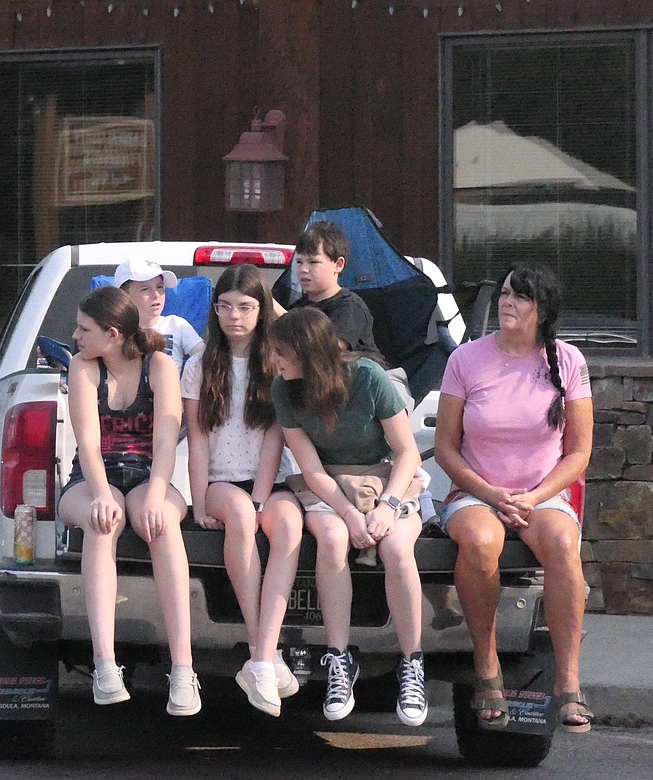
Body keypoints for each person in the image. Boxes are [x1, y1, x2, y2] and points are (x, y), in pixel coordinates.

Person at [435, 263, 594, 734]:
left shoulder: (567, 361)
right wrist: (490, 493)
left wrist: (534, 496)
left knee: (564, 545)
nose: (508, 302)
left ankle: (569, 682)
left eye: (520, 297)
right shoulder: (465, 359)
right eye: (505, 293)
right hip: (476, 493)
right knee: (482, 543)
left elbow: (579, 451)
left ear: (541, 311)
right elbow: (445, 447)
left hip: (540, 495)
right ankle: (487, 668)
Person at [269, 307, 428, 726]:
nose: (275, 362)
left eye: (282, 353)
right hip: (327, 484)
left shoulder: (369, 379)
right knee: (334, 539)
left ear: (307, 352)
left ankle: (412, 663)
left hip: (387, 478)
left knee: (396, 548)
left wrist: (388, 506)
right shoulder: (284, 391)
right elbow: (312, 468)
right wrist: (348, 513)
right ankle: (339, 660)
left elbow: (407, 452)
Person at [57, 285, 201, 716]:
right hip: (93, 475)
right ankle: (104, 663)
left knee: (161, 525)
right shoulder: (84, 367)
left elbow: (165, 444)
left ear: (113, 334)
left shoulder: (159, 365)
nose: (76, 336)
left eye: (85, 329)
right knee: (104, 523)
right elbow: (87, 442)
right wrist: (101, 493)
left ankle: (183, 669)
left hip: (147, 473)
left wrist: (157, 495)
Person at [182, 265, 303, 717]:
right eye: (225, 306)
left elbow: (275, 437)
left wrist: (262, 496)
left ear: (263, 309)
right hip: (219, 480)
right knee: (238, 514)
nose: (235, 315)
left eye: (246, 306)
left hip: (270, 477)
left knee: (288, 525)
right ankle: (262, 653)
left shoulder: (275, 363)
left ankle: (262, 656)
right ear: (214, 311)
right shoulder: (198, 366)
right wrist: (197, 502)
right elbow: (196, 439)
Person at [281, 221, 384, 363]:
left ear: (338, 264)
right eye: (299, 262)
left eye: (313, 262)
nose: (304, 269)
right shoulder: (297, 307)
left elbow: (327, 349)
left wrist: (272, 306)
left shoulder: (350, 306)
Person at [114, 256, 204, 373]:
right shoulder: (114, 331)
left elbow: (205, 357)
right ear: (124, 295)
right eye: (145, 289)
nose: (156, 295)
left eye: (160, 287)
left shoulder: (176, 324)